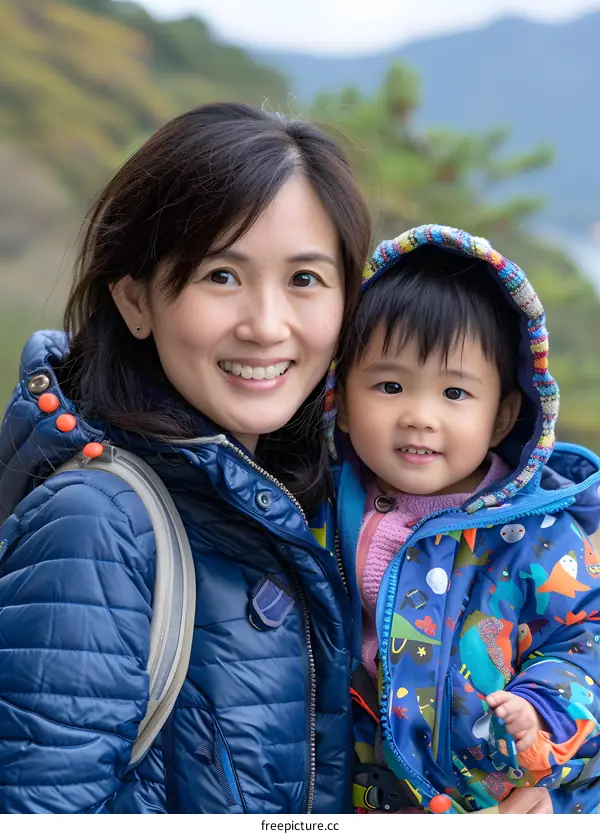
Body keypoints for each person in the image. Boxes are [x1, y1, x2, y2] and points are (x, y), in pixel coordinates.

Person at [0, 102, 372, 813]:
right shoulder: (97, 524)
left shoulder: (315, 510)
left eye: (305, 280)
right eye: (221, 276)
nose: (267, 325)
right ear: (136, 300)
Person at [330, 225, 600, 814]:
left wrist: (542, 711)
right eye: (391, 385)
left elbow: (586, 639)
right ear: (343, 402)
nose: (420, 417)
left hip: (495, 798)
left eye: (455, 394)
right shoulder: (317, 504)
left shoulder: (537, 535)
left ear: (503, 417)